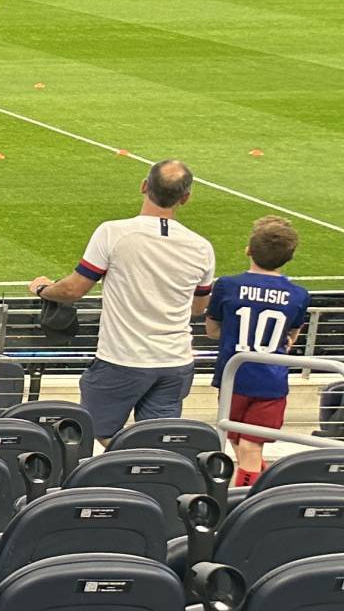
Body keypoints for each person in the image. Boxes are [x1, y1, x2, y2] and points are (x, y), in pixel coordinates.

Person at [29, 160, 215, 438]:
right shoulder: (201, 247)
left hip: (123, 358)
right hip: (174, 361)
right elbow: (198, 307)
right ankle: (140, 471)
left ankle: (127, 464)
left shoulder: (114, 233)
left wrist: (43, 289)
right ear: (185, 198)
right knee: (155, 440)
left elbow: (73, 290)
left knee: (93, 431)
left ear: (144, 186)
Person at [205, 216, 311, 487]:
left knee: (245, 446)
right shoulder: (298, 294)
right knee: (246, 446)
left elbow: (212, 330)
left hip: (233, 378)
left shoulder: (227, 285)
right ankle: (259, 489)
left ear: (248, 249)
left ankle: (247, 505)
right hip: (270, 382)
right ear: (290, 257)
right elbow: (291, 337)